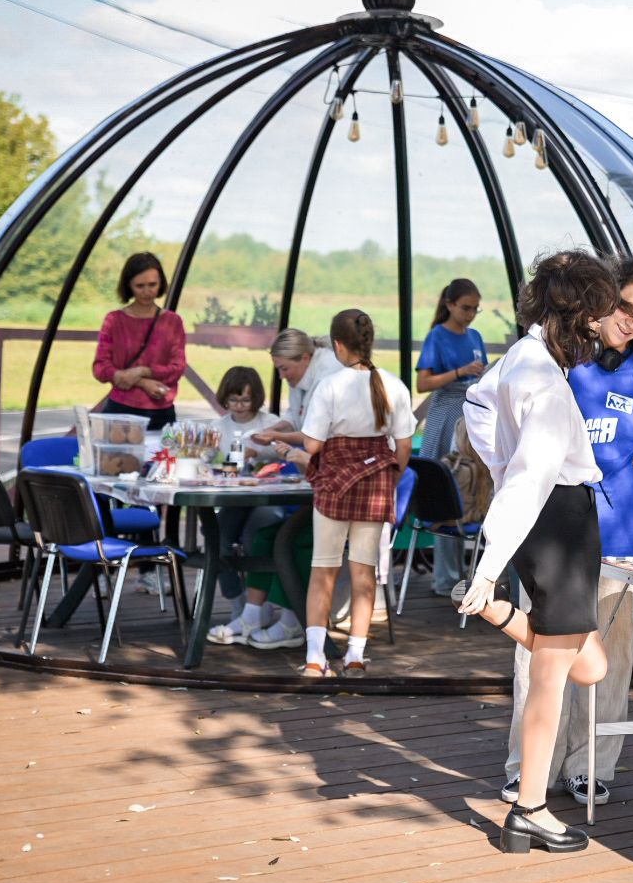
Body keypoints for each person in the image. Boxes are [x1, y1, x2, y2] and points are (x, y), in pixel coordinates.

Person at [492, 256, 633, 808]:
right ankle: (527, 769)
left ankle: (589, 765)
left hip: (620, 533)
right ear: (602, 300)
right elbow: (487, 408)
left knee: (607, 663)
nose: (632, 322)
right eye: (626, 307)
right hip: (554, 533)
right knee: (537, 654)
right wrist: (508, 475)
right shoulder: (558, 355)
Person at [457, 250, 619, 855]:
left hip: (553, 519)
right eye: (598, 317)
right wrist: (492, 558)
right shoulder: (545, 381)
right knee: (553, 679)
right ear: (576, 316)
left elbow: (477, 409)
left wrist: (501, 480)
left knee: (589, 665)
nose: (602, 330)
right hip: (557, 520)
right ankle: (529, 809)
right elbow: (528, 475)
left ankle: (495, 610)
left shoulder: (520, 360)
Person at [296, 310, 414, 678]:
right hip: (377, 483)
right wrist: (389, 481)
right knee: (364, 573)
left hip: (333, 482)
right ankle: (356, 657)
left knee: (323, 570)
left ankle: (316, 658)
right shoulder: (393, 384)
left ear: (337, 345)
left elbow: (313, 444)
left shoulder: (329, 385)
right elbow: (404, 445)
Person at [203, 366, 301, 650]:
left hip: (266, 498)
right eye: (233, 401)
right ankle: (238, 604)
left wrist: (258, 451)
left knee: (258, 537)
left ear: (256, 399)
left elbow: (285, 448)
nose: (239, 407)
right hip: (233, 498)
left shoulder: (270, 423)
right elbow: (208, 460)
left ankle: (262, 606)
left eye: (245, 401)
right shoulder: (219, 427)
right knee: (216, 539)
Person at [415, 278, 489, 597]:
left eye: (475, 308)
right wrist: (460, 372)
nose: (471, 314)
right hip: (446, 411)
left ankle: (463, 573)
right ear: (449, 305)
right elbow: (423, 383)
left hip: (470, 413)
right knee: (447, 489)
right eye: (466, 307)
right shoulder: (438, 336)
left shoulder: (475, 336)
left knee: (470, 487)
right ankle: (444, 576)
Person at [91, 253, 186, 429]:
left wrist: (143, 371)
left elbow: (178, 368)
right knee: (117, 457)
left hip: (162, 411)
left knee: (161, 457)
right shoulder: (114, 320)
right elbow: (100, 367)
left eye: (152, 285)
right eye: (140, 286)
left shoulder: (173, 321)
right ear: (129, 286)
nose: (147, 291)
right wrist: (142, 381)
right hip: (121, 411)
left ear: (161, 283)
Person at [254, 328, 346, 448]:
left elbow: (317, 435)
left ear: (305, 358)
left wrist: (276, 436)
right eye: (278, 369)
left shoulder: (329, 377)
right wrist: (275, 428)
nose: (281, 376)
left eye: (284, 369)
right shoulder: (301, 371)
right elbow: (295, 414)